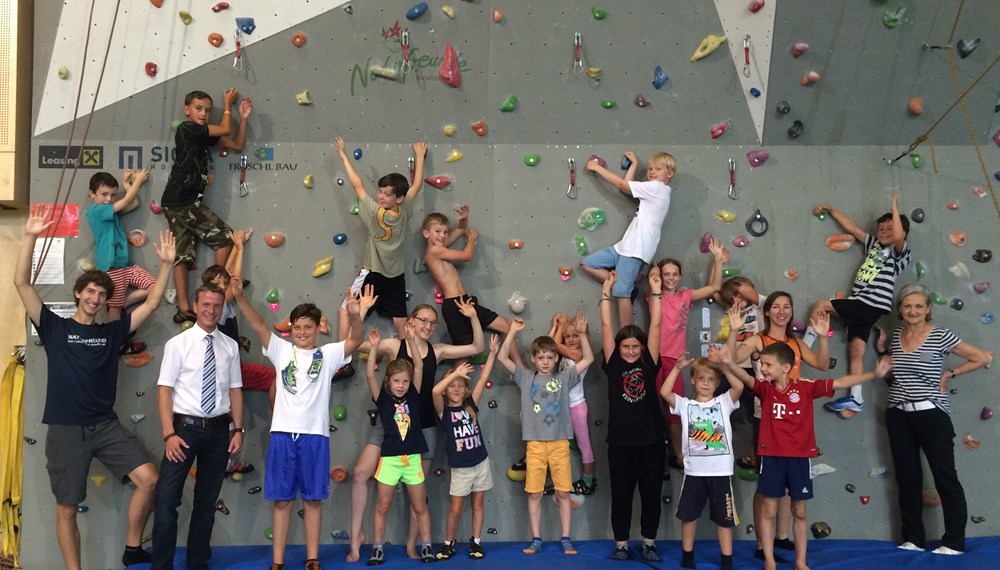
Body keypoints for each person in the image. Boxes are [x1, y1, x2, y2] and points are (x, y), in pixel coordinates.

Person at [14, 209, 175, 570]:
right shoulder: (53, 327)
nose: (95, 298)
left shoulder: (110, 332)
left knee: (149, 479)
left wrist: (165, 265)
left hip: (104, 425)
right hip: (66, 429)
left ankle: (133, 547)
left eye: (102, 294)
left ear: (106, 301)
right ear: (78, 293)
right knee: (67, 508)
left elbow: (149, 302)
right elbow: (22, 284)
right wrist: (29, 237)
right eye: (90, 291)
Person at [718, 342, 892, 570]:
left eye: (768, 364)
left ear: (786, 367)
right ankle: (769, 560)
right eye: (762, 364)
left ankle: (801, 561)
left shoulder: (805, 388)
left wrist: (873, 374)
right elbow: (746, 377)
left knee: (799, 510)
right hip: (771, 457)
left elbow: (840, 383)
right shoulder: (765, 389)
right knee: (769, 510)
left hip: (799, 459)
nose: (763, 369)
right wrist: (728, 362)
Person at [234, 279, 364, 570]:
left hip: (315, 437)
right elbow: (257, 325)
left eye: (308, 326)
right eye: (297, 327)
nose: (302, 332)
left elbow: (356, 340)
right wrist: (241, 298)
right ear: (290, 329)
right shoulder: (281, 351)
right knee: (281, 501)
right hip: (282, 435)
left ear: (318, 328)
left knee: (313, 500)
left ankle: (312, 558)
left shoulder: (328, 355)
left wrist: (355, 316)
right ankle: (277, 561)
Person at [345, 299, 484, 563]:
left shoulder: (437, 350)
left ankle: (413, 544)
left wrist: (473, 316)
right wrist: (359, 313)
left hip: (423, 427)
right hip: (390, 425)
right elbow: (351, 343)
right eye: (424, 320)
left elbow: (477, 347)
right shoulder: (392, 345)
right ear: (411, 321)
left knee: (416, 491)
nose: (429, 326)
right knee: (361, 472)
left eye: (433, 322)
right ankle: (356, 539)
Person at [883, 283, 990, 556]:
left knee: (945, 478)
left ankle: (954, 542)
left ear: (928, 308)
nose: (913, 311)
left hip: (932, 413)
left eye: (919, 306)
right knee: (907, 479)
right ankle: (914, 539)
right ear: (900, 309)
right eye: (907, 306)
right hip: (898, 414)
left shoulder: (941, 335)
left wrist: (950, 374)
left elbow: (979, 357)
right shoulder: (896, 337)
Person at [726, 292, 830, 561]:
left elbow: (822, 363)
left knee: (788, 486)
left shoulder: (795, 343)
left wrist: (821, 336)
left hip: (794, 423)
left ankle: (781, 537)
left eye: (787, 307)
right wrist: (735, 330)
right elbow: (733, 356)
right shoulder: (758, 339)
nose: (782, 311)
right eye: (776, 307)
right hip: (765, 419)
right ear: (767, 311)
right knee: (767, 485)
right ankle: (762, 544)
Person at [152, 284, 245, 570]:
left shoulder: (230, 346)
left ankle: (197, 562)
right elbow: (164, 390)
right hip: (182, 431)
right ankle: (162, 565)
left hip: (218, 433)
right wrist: (168, 434)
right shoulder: (177, 344)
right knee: (167, 502)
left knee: (206, 505)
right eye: (206, 304)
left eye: (217, 306)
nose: (211, 310)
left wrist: (238, 430)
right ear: (195, 305)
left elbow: (235, 390)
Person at [498, 313, 594, 556]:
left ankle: (565, 538)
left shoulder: (564, 377)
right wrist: (511, 332)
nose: (545, 361)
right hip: (535, 445)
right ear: (533, 359)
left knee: (563, 492)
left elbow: (589, 358)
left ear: (556, 359)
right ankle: (536, 539)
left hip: (559, 442)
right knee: (535, 493)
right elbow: (502, 357)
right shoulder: (525, 376)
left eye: (550, 357)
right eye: (540, 357)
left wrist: (582, 333)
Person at [811, 192, 910, 418]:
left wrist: (895, 207)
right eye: (881, 229)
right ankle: (856, 398)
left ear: (900, 233)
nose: (884, 233)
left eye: (889, 229)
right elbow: (854, 229)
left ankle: (805, 348)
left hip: (870, 304)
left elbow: (898, 236)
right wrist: (831, 209)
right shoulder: (874, 245)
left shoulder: (899, 254)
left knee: (821, 305)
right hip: (861, 304)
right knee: (857, 350)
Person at [160, 88, 252, 323]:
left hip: (176, 202)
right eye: (199, 109)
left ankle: (184, 307)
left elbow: (237, 144)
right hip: (182, 200)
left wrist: (243, 119)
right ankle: (215, 290)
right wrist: (228, 104)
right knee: (224, 238)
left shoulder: (203, 135)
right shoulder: (187, 128)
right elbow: (224, 128)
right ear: (187, 110)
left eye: (208, 111)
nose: (203, 114)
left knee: (183, 254)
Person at [599, 270, 666, 562]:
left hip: (652, 440)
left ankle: (649, 542)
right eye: (625, 346)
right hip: (621, 443)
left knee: (651, 496)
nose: (628, 350)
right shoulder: (613, 363)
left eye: (633, 347)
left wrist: (656, 292)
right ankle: (622, 544)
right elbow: (605, 324)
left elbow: (657, 325)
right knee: (622, 496)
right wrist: (606, 292)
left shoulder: (649, 362)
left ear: (641, 348)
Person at [334, 137, 426, 341]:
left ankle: (342, 358)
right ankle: (407, 359)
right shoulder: (405, 209)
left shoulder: (377, 213)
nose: (381, 197)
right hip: (395, 276)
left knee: (346, 311)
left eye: (386, 194)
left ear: (398, 198)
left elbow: (357, 185)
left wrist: (343, 156)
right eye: (380, 191)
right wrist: (420, 157)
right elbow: (416, 185)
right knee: (400, 320)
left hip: (373, 273)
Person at [661, 352, 743, 570]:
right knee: (689, 517)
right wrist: (677, 368)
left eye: (710, 379)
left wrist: (724, 365)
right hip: (694, 472)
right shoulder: (685, 405)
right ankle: (687, 556)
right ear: (693, 380)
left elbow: (739, 388)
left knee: (724, 520)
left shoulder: (723, 402)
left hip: (720, 472)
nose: (705, 383)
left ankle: (727, 560)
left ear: (717, 383)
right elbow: (665, 392)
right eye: (701, 378)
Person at [581, 151, 674, 329]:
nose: (652, 172)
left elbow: (620, 183)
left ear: (669, 174)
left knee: (622, 294)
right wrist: (633, 165)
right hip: (624, 246)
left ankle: (627, 335)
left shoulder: (657, 189)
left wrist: (596, 167)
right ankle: (628, 283)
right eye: (650, 169)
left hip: (636, 248)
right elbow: (626, 187)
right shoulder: (653, 190)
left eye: (658, 169)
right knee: (588, 264)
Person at [364, 329, 435, 565]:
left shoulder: (414, 395)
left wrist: (412, 341)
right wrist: (374, 347)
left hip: (413, 458)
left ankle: (426, 546)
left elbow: (420, 366)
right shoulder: (382, 398)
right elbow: (370, 376)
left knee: (419, 505)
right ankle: (377, 548)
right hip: (390, 460)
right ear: (389, 382)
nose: (402, 385)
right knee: (382, 506)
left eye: (405, 381)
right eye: (397, 381)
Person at [655, 238, 726, 470]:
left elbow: (714, 288)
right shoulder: (655, 296)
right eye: (666, 274)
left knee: (675, 413)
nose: (671, 278)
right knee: (655, 411)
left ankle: (678, 455)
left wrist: (717, 259)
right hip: (656, 359)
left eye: (675, 274)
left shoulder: (684, 297)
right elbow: (653, 283)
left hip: (676, 361)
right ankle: (661, 451)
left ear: (680, 276)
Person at [422, 207, 525, 367]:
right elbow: (467, 256)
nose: (442, 235)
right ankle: (454, 389)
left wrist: (464, 218)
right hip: (455, 306)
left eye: (445, 232)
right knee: (465, 353)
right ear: (426, 233)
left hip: (466, 302)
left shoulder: (440, 246)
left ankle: (521, 371)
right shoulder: (434, 251)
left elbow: (461, 229)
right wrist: (471, 239)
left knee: (507, 326)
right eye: (437, 231)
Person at [430, 336, 499, 560]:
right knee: (456, 508)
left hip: (481, 463)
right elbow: (433, 392)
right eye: (452, 386)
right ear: (446, 390)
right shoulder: (444, 412)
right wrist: (456, 373)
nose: (457, 389)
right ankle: (448, 543)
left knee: (478, 503)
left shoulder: (470, 405)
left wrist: (492, 354)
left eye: (460, 385)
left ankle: (476, 542)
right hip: (460, 468)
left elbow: (483, 379)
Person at [199, 229, 276, 394]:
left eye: (223, 283)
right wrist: (240, 250)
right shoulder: (217, 307)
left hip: (228, 367)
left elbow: (226, 273)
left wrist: (236, 245)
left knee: (272, 378)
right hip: (225, 370)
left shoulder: (219, 304)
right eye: (218, 284)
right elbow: (235, 281)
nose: (223, 286)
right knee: (271, 378)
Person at [84, 169, 156, 322]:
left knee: (153, 286)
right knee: (115, 310)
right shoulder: (95, 211)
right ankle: (114, 339)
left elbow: (133, 202)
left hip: (125, 265)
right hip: (110, 267)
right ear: (92, 194)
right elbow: (127, 200)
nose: (109, 199)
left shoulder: (111, 212)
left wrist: (126, 184)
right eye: (104, 194)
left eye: (112, 195)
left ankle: (124, 302)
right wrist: (138, 180)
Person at [549, 311, 596, 494]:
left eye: (575, 335)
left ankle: (588, 481)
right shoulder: (565, 356)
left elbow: (553, 345)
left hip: (576, 406)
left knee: (585, 445)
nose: (570, 339)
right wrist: (557, 327)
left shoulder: (581, 354)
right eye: (567, 336)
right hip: (561, 407)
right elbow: (547, 346)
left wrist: (560, 327)